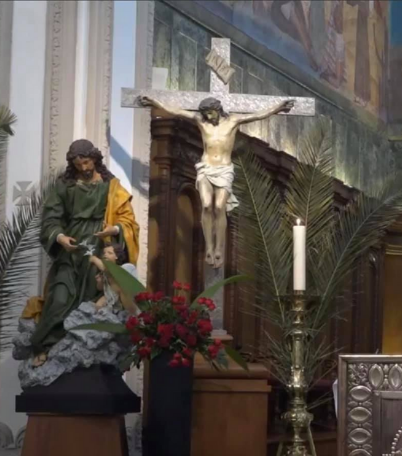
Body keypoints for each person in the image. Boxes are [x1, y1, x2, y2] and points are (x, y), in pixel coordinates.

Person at [139, 96, 294, 269]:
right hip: (206, 168)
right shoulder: (201, 122)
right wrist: (155, 102)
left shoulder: (233, 121)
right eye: (205, 114)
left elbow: (257, 115)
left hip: (224, 170)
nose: (208, 117)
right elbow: (177, 111)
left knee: (219, 207)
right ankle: (209, 248)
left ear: (218, 110)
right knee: (206, 206)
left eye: (210, 113)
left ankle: (219, 247)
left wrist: (278, 108)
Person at [26, 140, 139, 366]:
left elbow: (128, 221)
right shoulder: (64, 185)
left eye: (86, 162)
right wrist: (60, 237)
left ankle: (86, 352)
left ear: (95, 159)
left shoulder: (111, 186)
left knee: (92, 297)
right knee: (59, 297)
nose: (84, 168)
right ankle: (45, 345)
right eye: (78, 165)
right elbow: (51, 219)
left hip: (99, 246)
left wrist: (114, 229)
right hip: (72, 249)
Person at [89, 242, 139, 312]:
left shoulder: (126, 267)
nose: (105, 255)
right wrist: (100, 281)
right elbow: (100, 288)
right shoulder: (104, 272)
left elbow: (111, 272)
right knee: (99, 304)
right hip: (111, 300)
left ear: (116, 256)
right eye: (104, 253)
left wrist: (94, 259)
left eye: (109, 253)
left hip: (127, 301)